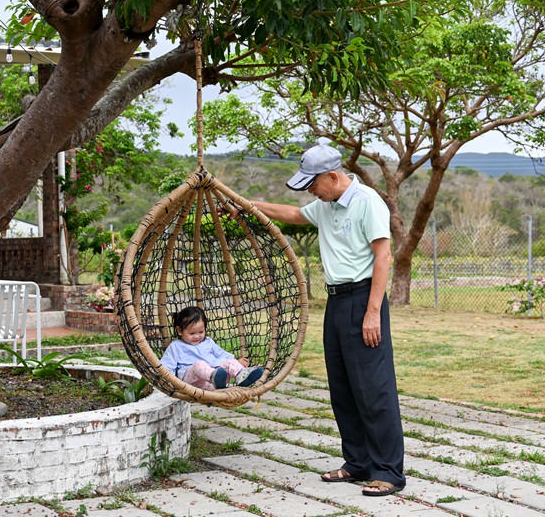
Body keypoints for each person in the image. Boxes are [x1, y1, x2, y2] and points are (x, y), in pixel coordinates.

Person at [250, 143, 405, 497]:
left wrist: (372, 312)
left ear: (333, 176)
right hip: (336, 302)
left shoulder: (367, 202)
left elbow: (383, 257)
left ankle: (388, 471)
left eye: (313, 184)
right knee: (343, 388)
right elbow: (292, 213)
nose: (310, 191)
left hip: (364, 299)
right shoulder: (326, 205)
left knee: (373, 389)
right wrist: (246, 204)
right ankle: (358, 462)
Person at [160, 306, 264, 391]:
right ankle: (214, 377)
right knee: (199, 364)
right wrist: (170, 383)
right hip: (191, 383)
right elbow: (166, 366)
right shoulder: (176, 346)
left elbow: (221, 353)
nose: (197, 336)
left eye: (201, 332)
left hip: (212, 384)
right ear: (180, 331)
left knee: (230, 362)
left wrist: (237, 362)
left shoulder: (208, 342)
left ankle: (241, 376)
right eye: (192, 333)